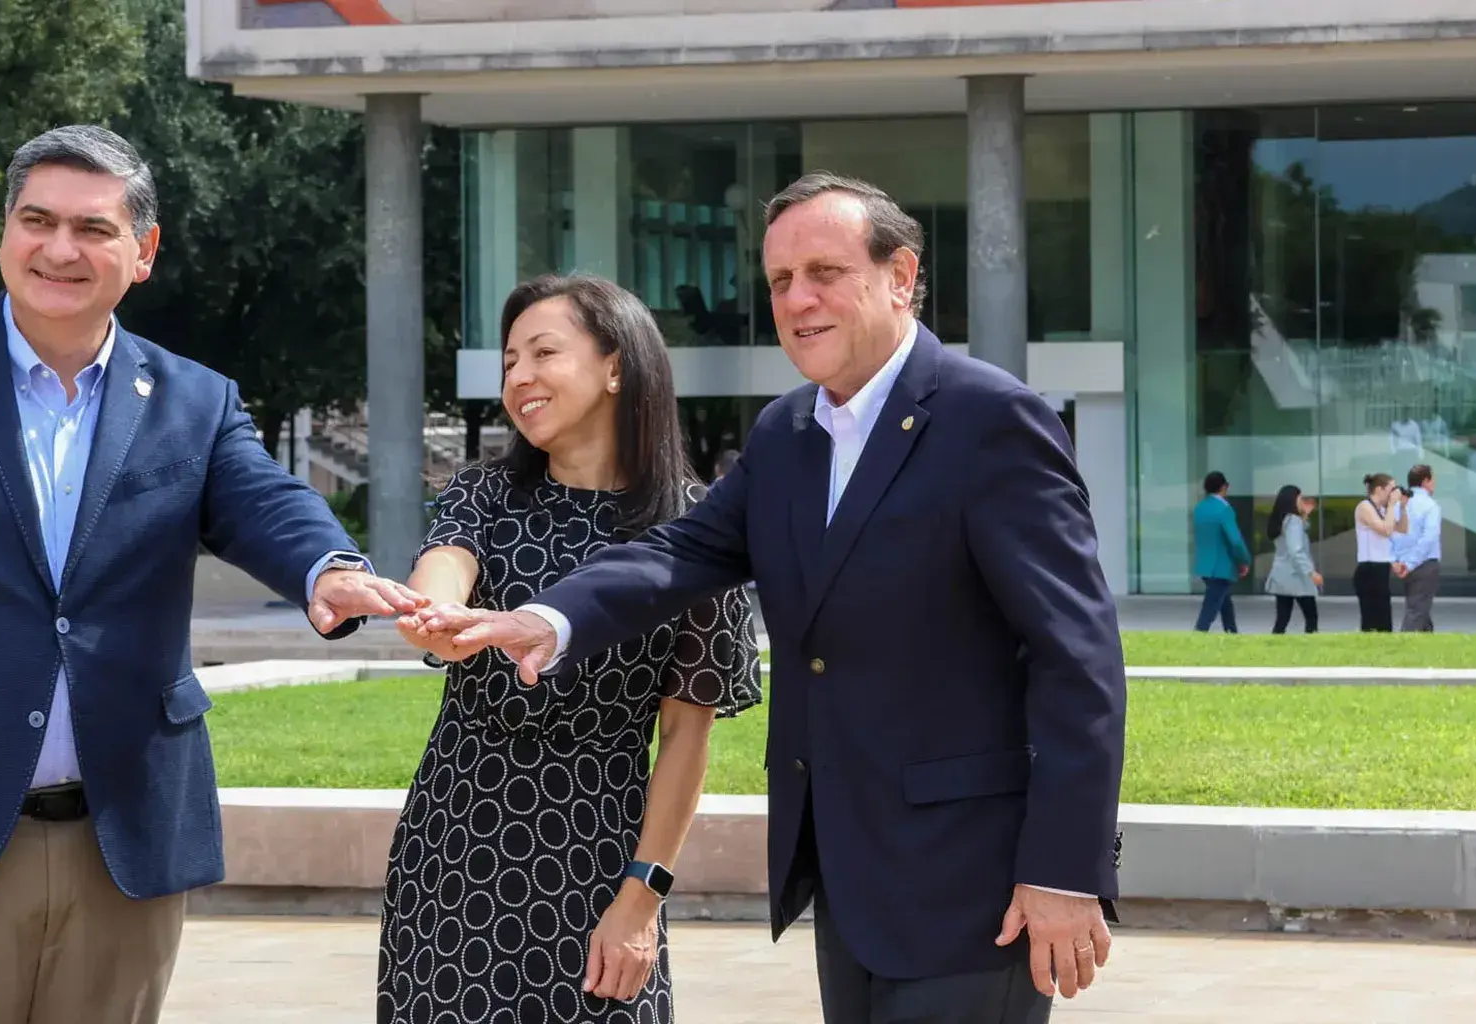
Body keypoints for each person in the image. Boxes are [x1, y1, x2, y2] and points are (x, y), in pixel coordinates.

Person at [407, 172, 1125, 1024]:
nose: (798, 299)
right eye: (781, 280)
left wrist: (1064, 869)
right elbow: (683, 550)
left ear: (901, 276)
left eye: (825, 272)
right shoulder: (786, 433)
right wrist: (548, 618)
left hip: (977, 887)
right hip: (849, 882)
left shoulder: (990, 420)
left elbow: (1077, 659)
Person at [0, 125, 425, 1024]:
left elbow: (265, 501)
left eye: (93, 229)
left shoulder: (195, 398)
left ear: (143, 252)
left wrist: (328, 569)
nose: (59, 249)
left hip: (124, 845)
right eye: (38, 220)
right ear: (4, 233)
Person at [382, 274, 761, 1023]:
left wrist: (642, 896)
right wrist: (437, 615)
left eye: (543, 353)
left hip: (600, 857)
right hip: (454, 845)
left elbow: (685, 739)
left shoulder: (695, 531)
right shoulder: (484, 494)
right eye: (509, 362)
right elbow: (444, 569)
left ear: (616, 366)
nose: (519, 377)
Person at [1191, 471, 1250, 633]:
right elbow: (1235, 540)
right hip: (1221, 566)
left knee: (1225, 603)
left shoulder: (1200, 508)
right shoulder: (1224, 509)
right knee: (1211, 606)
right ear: (1224, 487)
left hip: (1205, 565)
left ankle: (1232, 633)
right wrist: (1244, 560)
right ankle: (1199, 634)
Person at [1262, 485, 1321, 634]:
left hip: (1281, 574)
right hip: (1296, 575)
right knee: (1311, 617)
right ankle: (1312, 645)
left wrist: (1304, 515)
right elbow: (1296, 550)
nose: (1301, 501)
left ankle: (1273, 644)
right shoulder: (1293, 520)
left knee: (1282, 618)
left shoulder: (1283, 519)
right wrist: (1311, 572)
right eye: (1299, 498)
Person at [1354, 473, 1408, 632]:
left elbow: (1403, 528)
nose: (1393, 494)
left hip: (1382, 569)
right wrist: (1391, 506)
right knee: (1371, 622)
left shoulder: (1383, 510)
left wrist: (1402, 507)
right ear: (1379, 489)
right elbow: (1386, 530)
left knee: (1385, 622)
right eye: (1391, 489)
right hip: (1368, 570)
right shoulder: (1364, 507)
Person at [1392, 464, 1442, 631]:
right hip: (1423, 563)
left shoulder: (1399, 505)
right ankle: (1405, 644)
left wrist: (1399, 561)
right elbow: (1429, 538)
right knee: (1417, 611)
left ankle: (1427, 642)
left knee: (1420, 607)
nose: (1434, 484)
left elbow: (1393, 534)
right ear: (1425, 481)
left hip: (1405, 564)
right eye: (1433, 480)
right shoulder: (1430, 505)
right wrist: (1411, 563)